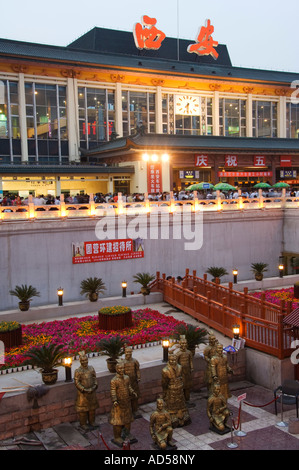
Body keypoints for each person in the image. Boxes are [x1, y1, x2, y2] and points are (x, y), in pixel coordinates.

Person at [109, 360, 137, 447]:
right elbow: (113, 391)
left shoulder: (126, 378)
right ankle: (117, 437)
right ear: (116, 369)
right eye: (120, 368)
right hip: (118, 404)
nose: (121, 370)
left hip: (126, 402)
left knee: (127, 420)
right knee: (118, 421)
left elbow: (128, 386)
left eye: (123, 368)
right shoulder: (114, 380)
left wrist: (132, 392)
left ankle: (126, 434)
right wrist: (114, 400)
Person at [161, 352, 191, 428]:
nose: (172, 361)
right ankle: (172, 417)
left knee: (181, 403)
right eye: (171, 360)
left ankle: (182, 416)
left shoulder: (180, 367)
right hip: (171, 389)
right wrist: (165, 390)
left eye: (174, 360)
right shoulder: (165, 370)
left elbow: (182, 377)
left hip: (179, 389)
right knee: (171, 404)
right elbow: (164, 382)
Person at [74, 351, 99, 430]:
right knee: (83, 410)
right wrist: (83, 389)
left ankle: (92, 421)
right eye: (83, 361)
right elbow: (76, 382)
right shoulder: (78, 371)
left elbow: (94, 378)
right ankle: (83, 423)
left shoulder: (91, 368)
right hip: (83, 394)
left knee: (92, 409)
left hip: (92, 392)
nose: (84, 362)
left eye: (86, 360)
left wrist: (94, 386)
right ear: (80, 361)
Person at [171, 335, 193, 402]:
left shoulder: (189, 352)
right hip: (181, 372)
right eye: (182, 343)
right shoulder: (178, 353)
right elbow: (176, 363)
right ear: (180, 344)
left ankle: (187, 398)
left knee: (188, 385)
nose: (184, 345)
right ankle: (182, 400)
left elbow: (190, 361)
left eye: (185, 343)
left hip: (187, 371)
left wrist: (191, 367)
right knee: (182, 386)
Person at [123, 346, 141, 417]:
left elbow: (137, 370)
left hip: (134, 382)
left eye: (130, 352)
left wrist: (138, 377)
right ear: (125, 352)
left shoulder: (135, 361)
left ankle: (135, 410)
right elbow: (121, 373)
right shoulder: (122, 363)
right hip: (126, 383)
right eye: (127, 352)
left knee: (135, 397)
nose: (128, 353)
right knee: (127, 397)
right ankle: (128, 411)